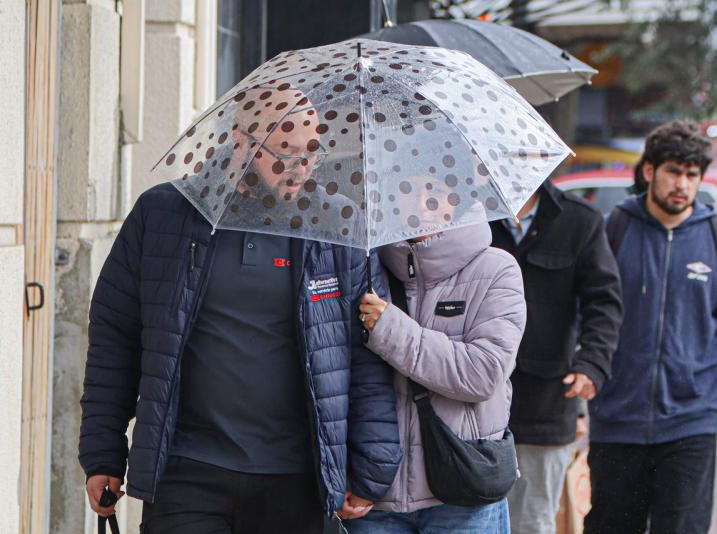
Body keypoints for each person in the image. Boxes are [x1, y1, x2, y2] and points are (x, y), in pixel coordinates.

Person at [78, 86, 402, 533]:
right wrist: (102, 451)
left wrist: (370, 468)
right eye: (285, 151)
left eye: (311, 151)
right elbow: (115, 336)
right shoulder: (166, 214)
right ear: (241, 141)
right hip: (188, 470)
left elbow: (367, 351)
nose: (301, 167)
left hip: (298, 478)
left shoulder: (338, 226)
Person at [585, 120, 717, 534]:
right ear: (649, 171)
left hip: (691, 419)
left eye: (691, 174)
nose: (681, 184)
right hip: (618, 416)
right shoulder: (616, 229)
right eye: (673, 171)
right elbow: (588, 313)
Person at [345, 199, 527, 533]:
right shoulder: (365, 266)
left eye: (434, 188)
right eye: (408, 187)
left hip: (462, 490)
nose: (420, 200)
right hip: (374, 495)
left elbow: (484, 374)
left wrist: (390, 331)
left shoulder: (496, 269)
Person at [488, 178, 623, 534]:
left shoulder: (580, 219)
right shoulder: (467, 212)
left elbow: (604, 303)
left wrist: (591, 364)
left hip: (545, 402)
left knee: (532, 521)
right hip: (471, 397)